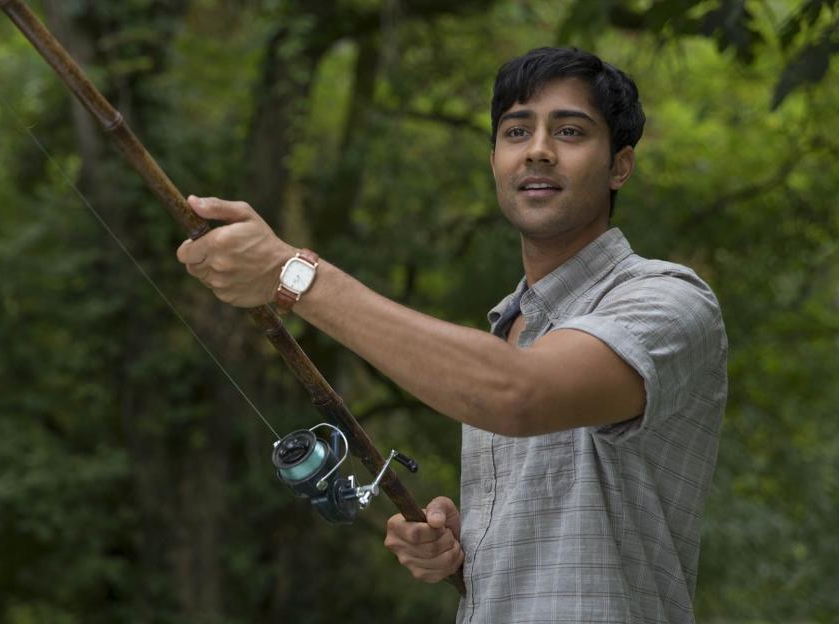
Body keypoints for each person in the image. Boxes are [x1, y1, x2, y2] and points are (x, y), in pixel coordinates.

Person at [176, 47, 727, 623]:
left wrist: (293, 275)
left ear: (619, 165)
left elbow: (517, 394)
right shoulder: (505, 328)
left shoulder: (669, 300)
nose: (538, 150)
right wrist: (465, 544)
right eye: (517, 131)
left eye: (569, 131)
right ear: (495, 161)